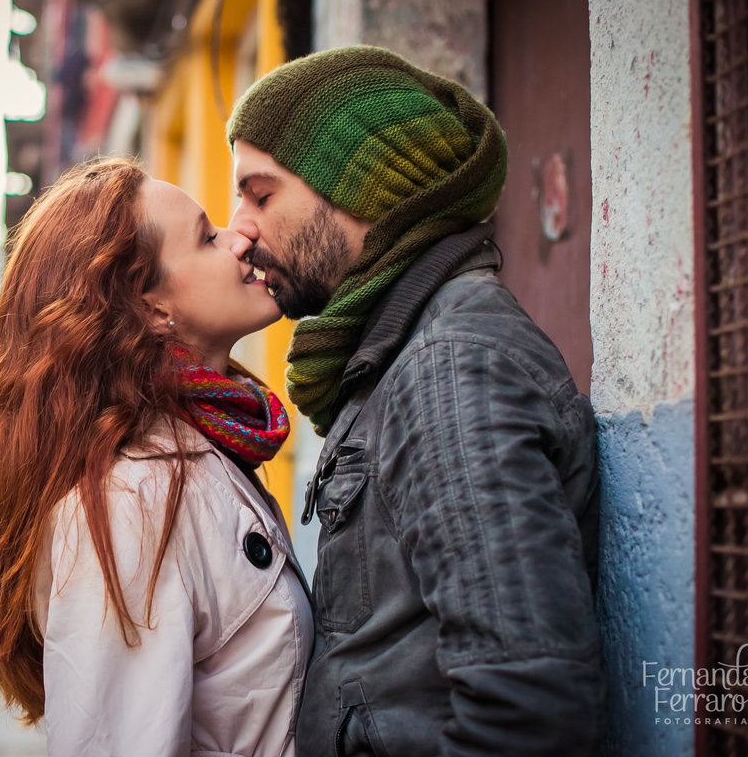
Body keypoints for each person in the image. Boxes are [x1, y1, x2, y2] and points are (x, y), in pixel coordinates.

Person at [227, 45, 605, 756]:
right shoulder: (400, 359)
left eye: (261, 193)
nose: (239, 228)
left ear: (363, 183)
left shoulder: (448, 367)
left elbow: (528, 707)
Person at [0, 158, 313, 757]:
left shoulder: (199, 452)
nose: (239, 236)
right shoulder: (128, 504)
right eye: (206, 237)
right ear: (150, 308)